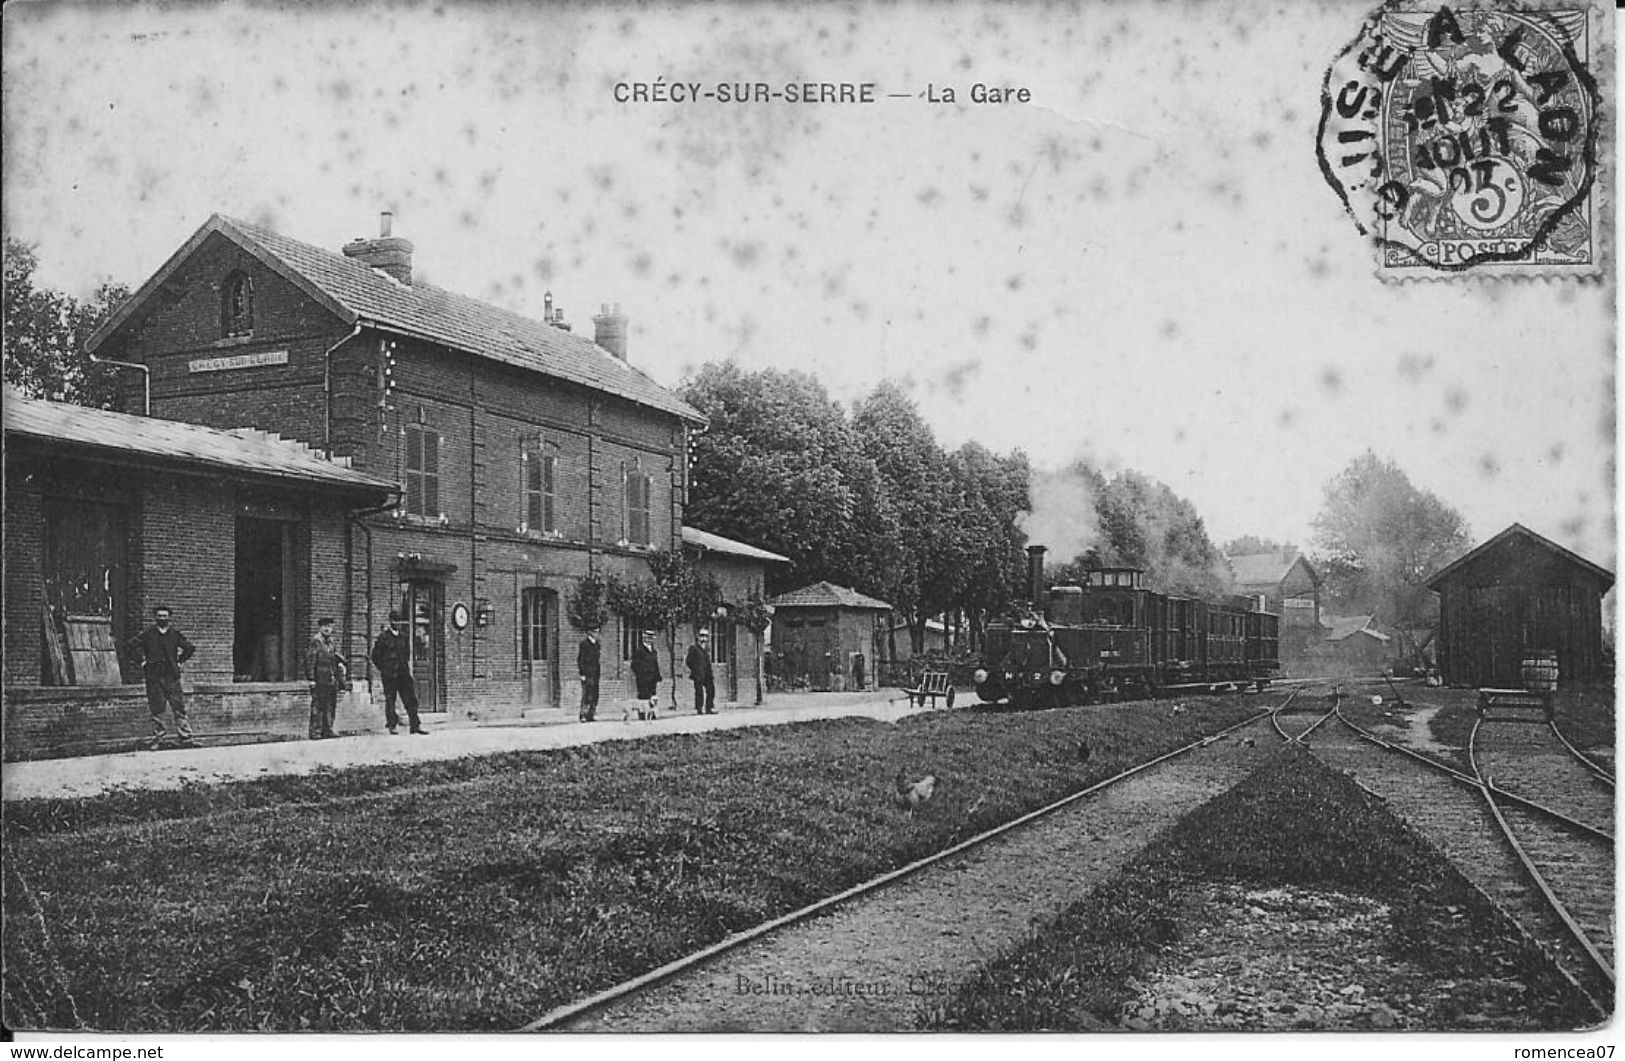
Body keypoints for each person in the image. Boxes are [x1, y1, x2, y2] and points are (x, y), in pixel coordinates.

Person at [124, 606, 197, 749]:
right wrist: (142, 660)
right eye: (159, 616)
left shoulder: (174, 634)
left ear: (169, 617)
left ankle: (186, 738)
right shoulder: (148, 633)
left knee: (179, 706)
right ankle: (159, 739)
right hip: (154, 677)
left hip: (171, 676)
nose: (162, 618)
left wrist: (179, 661)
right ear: (155, 617)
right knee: (157, 708)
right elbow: (129, 646)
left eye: (165, 616)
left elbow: (189, 647)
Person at [370, 609, 427, 735]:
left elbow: (407, 654)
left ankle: (415, 725)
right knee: (390, 700)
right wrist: (384, 669)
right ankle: (392, 725)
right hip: (389, 675)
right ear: (390, 621)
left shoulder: (403, 637)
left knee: (410, 699)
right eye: (394, 621)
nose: (396, 623)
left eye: (398, 621)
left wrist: (404, 667)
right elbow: (375, 656)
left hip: (403, 673)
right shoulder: (383, 637)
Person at [307, 617, 348, 739]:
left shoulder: (331, 642)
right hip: (320, 678)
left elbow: (334, 657)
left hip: (331, 677)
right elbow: (310, 660)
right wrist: (311, 679)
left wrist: (340, 664)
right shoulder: (316, 641)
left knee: (330, 705)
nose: (327, 629)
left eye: (329, 626)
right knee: (318, 705)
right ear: (320, 627)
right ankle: (316, 731)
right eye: (325, 626)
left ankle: (328, 729)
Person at [630, 629, 662, 721]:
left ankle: (651, 713)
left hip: (652, 678)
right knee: (643, 696)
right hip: (643, 678)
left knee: (652, 696)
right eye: (647, 638)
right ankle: (642, 714)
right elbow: (634, 665)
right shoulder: (639, 651)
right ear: (644, 638)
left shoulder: (654, 651)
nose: (649, 640)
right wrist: (641, 674)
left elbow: (655, 664)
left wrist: (658, 675)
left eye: (651, 638)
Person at [686, 629, 716, 715]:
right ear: (698, 637)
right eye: (702, 636)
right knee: (699, 692)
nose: (704, 638)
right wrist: (695, 670)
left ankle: (708, 708)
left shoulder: (707, 648)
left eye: (706, 636)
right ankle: (699, 709)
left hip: (707, 674)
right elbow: (688, 661)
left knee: (711, 690)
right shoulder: (694, 648)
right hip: (698, 674)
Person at [577, 629, 601, 722]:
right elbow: (580, 659)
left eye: (597, 632)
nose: (597, 633)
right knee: (587, 694)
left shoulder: (597, 644)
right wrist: (582, 673)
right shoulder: (584, 644)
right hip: (587, 673)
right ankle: (583, 714)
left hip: (595, 673)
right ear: (589, 632)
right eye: (594, 631)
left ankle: (591, 714)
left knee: (595, 694)